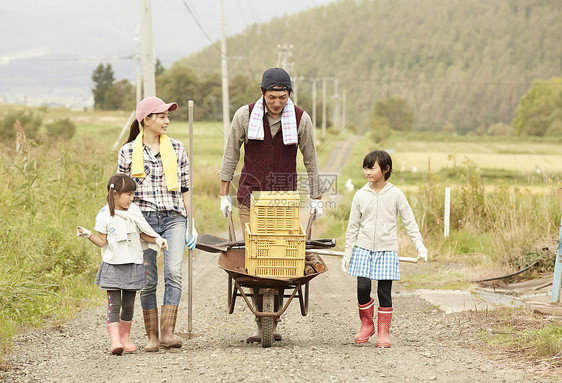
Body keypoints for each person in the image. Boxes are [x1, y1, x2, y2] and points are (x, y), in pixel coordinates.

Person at [218, 67, 323, 343]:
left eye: (282, 97)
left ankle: (272, 318)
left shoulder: (301, 119)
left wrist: (317, 197)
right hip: (250, 199)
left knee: (279, 258)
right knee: (256, 257)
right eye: (272, 97)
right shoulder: (244, 115)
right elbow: (231, 154)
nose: (277, 103)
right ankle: (261, 322)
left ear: (289, 94)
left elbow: (310, 160)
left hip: (283, 202)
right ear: (262, 93)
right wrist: (223, 194)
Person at [117, 96, 197, 352]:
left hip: (174, 218)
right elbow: (121, 195)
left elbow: (185, 188)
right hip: (143, 222)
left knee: (173, 272)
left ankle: (168, 333)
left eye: (168, 116)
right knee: (148, 278)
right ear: (146, 120)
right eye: (161, 116)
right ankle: (151, 336)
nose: (167, 121)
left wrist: (191, 222)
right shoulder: (128, 151)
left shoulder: (177, 148)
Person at [341, 150, 428, 347]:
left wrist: (420, 245)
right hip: (363, 248)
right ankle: (367, 324)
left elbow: (409, 222)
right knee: (362, 287)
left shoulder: (396, 194)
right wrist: (348, 254)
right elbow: (352, 227)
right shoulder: (360, 195)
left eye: (371, 167)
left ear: (386, 169)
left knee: (384, 291)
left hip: (387, 249)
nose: (367, 172)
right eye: (365, 167)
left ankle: (383, 332)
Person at [76, 173, 168, 355]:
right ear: (115, 194)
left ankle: (125, 338)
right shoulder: (104, 215)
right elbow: (102, 241)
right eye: (129, 194)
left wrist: (157, 240)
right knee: (114, 305)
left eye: (133, 194)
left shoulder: (134, 211)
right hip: (112, 266)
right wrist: (88, 235)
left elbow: (143, 233)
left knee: (128, 306)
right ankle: (115, 341)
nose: (132, 198)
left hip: (133, 265)